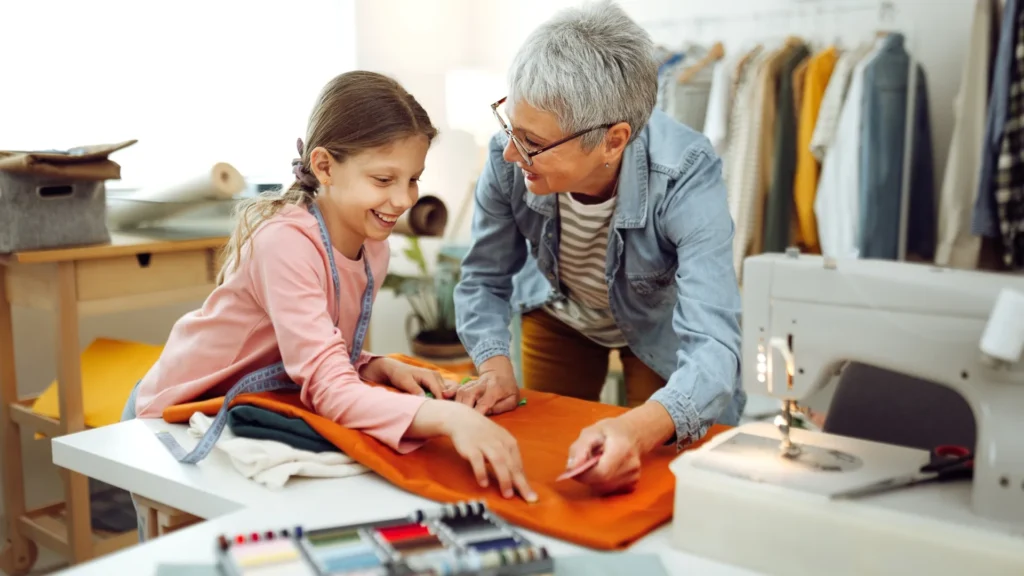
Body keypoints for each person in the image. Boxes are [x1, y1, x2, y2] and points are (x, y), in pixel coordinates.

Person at [121, 71, 537, 539]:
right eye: (384, 178)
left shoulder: (371, 247)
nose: (403, 200)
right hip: (173, 412)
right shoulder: (284, 242)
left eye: (413, 179)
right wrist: (450, 418)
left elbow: (309, 348)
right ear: (324, 166)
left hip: (249, 405)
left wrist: (371, 364)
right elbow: (325, 385)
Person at [452, 1, 744, 495]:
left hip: (659, 328)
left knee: (662, 472)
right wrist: (494, 366)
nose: (508, 153)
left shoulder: (686, 174)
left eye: (531, 142)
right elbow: (483, 277)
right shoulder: (510, 157)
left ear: (613, 140)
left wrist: (637, 427)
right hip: (559, 313)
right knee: (547, 459)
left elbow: (714, 348)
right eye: (510, 128)